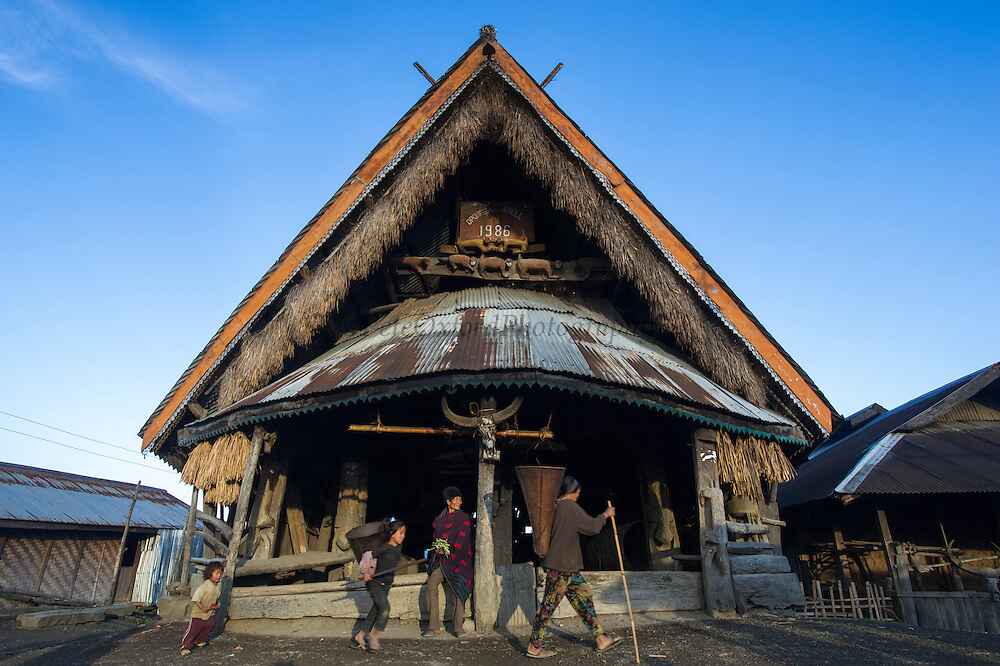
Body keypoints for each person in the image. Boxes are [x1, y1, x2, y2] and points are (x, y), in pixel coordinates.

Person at [526, 476, 623, 659]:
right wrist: (606, 514)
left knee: (584, 598)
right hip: (560, 568)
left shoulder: (552, 506)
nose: (579, 495)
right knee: (547, 608)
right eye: (578, 491)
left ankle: (601, 638)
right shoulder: (569, 507)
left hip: (569, 568)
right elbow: (592, 527)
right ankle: (534, 646)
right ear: (574, 491)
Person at [424, 486, 473, 637]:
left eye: (460, 499)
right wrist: (437, 549)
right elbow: (435, 539)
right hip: (442, 562)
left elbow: (462, 541)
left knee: (460, 589)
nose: (460, 502)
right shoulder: (439, 520)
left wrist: (449, 549)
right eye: (457, 499)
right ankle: (433, 627)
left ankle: (457, 627)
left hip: (459, 562)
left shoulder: (464, 519)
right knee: (431, 584)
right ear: (448, 502)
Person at [352, 519, 407, 653]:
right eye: (400, 533)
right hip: (375, 583)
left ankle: (360, 635)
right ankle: (374, 637)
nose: (403, 536)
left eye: (404, 533)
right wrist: (366, 572)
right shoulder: (383, 548)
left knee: (375, 611)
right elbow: (366, 556)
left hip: (386, 584)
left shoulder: (398, 548)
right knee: (385, 609)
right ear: (392, 534)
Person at [180, 561, 222, 656]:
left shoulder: (217, 587)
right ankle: (185, 646)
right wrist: (202, 608)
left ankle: (199, 641)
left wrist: (216, 605)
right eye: (217, 573)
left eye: (220, 573)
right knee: (194, 630)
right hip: (198, 613)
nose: (219, 576)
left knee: (209, 625)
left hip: (209, 613)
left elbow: (216, 599)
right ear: (210, 573)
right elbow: (196, 599)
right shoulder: (205, 586)